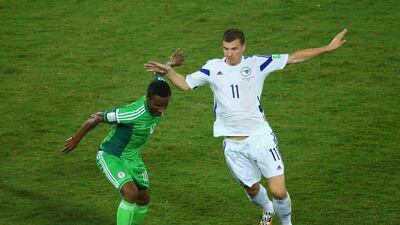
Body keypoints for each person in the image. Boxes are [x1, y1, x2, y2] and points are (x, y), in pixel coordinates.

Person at [144, 28, 347, 225]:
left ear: (243, 47)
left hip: (260, 137)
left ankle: (287, 222)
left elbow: (293, 57)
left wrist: (327, 48)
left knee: (278, 190)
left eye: (234, 48)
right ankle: (268, 209)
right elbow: (186, 84)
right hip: (233, 145)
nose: (229, 53)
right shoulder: (213, 68)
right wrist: (169, 70)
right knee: (251, 189)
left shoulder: (258, 63)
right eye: (225, 48)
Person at [62, 49, 184, 225]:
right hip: (111, 155)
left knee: (143, 199)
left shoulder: (158, 92)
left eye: (165, 106)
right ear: (148, 98)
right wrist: (75, 140)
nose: (161, 110)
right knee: (130, 193)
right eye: (157, 105)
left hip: (133, 157)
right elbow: (97, 117)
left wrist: (171, 62)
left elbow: (159, 74)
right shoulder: (132, 113)